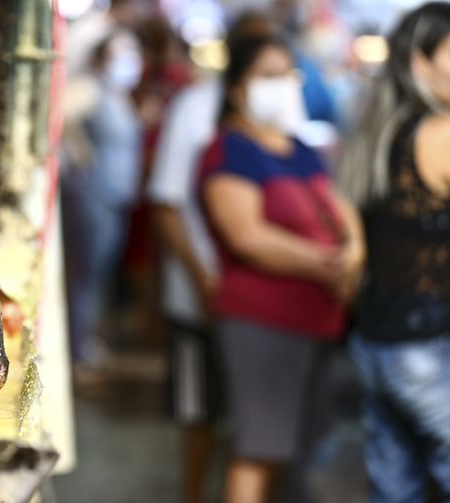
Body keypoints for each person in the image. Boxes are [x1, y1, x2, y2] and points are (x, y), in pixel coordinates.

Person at [337, 3, 450, 501]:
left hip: (375, 343)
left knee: (394, 492)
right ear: (420, 63)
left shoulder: (370, 131)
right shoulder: (448, 133)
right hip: (438, 350)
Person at [197, 35, 364, 503]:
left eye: (287, 75)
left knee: (290, 451)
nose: (282, 86)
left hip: (313, 322)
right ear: (237, 88)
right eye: (267, 76)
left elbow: (336, 202)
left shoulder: (296, 145)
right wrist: (328, 261)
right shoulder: (231, 149)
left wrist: (355, 243)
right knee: (256, 450)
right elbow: (246, 237)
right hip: (262, 324)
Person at [146, 14, 275, 503]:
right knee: (200, 413)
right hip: (202, 296)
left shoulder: (277, 116)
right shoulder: (195, 108)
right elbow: (166, 203)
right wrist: (202, 280)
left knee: (258, 423)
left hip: (264, 304)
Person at [60, 29, 143, 374]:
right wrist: (80, 153)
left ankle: (84, 339)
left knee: (98, 273)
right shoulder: (89, 87)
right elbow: (61, 117)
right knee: (86, 273)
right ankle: (77, 349)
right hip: (93, 194)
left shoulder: (118, 93)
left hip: (114, 197)